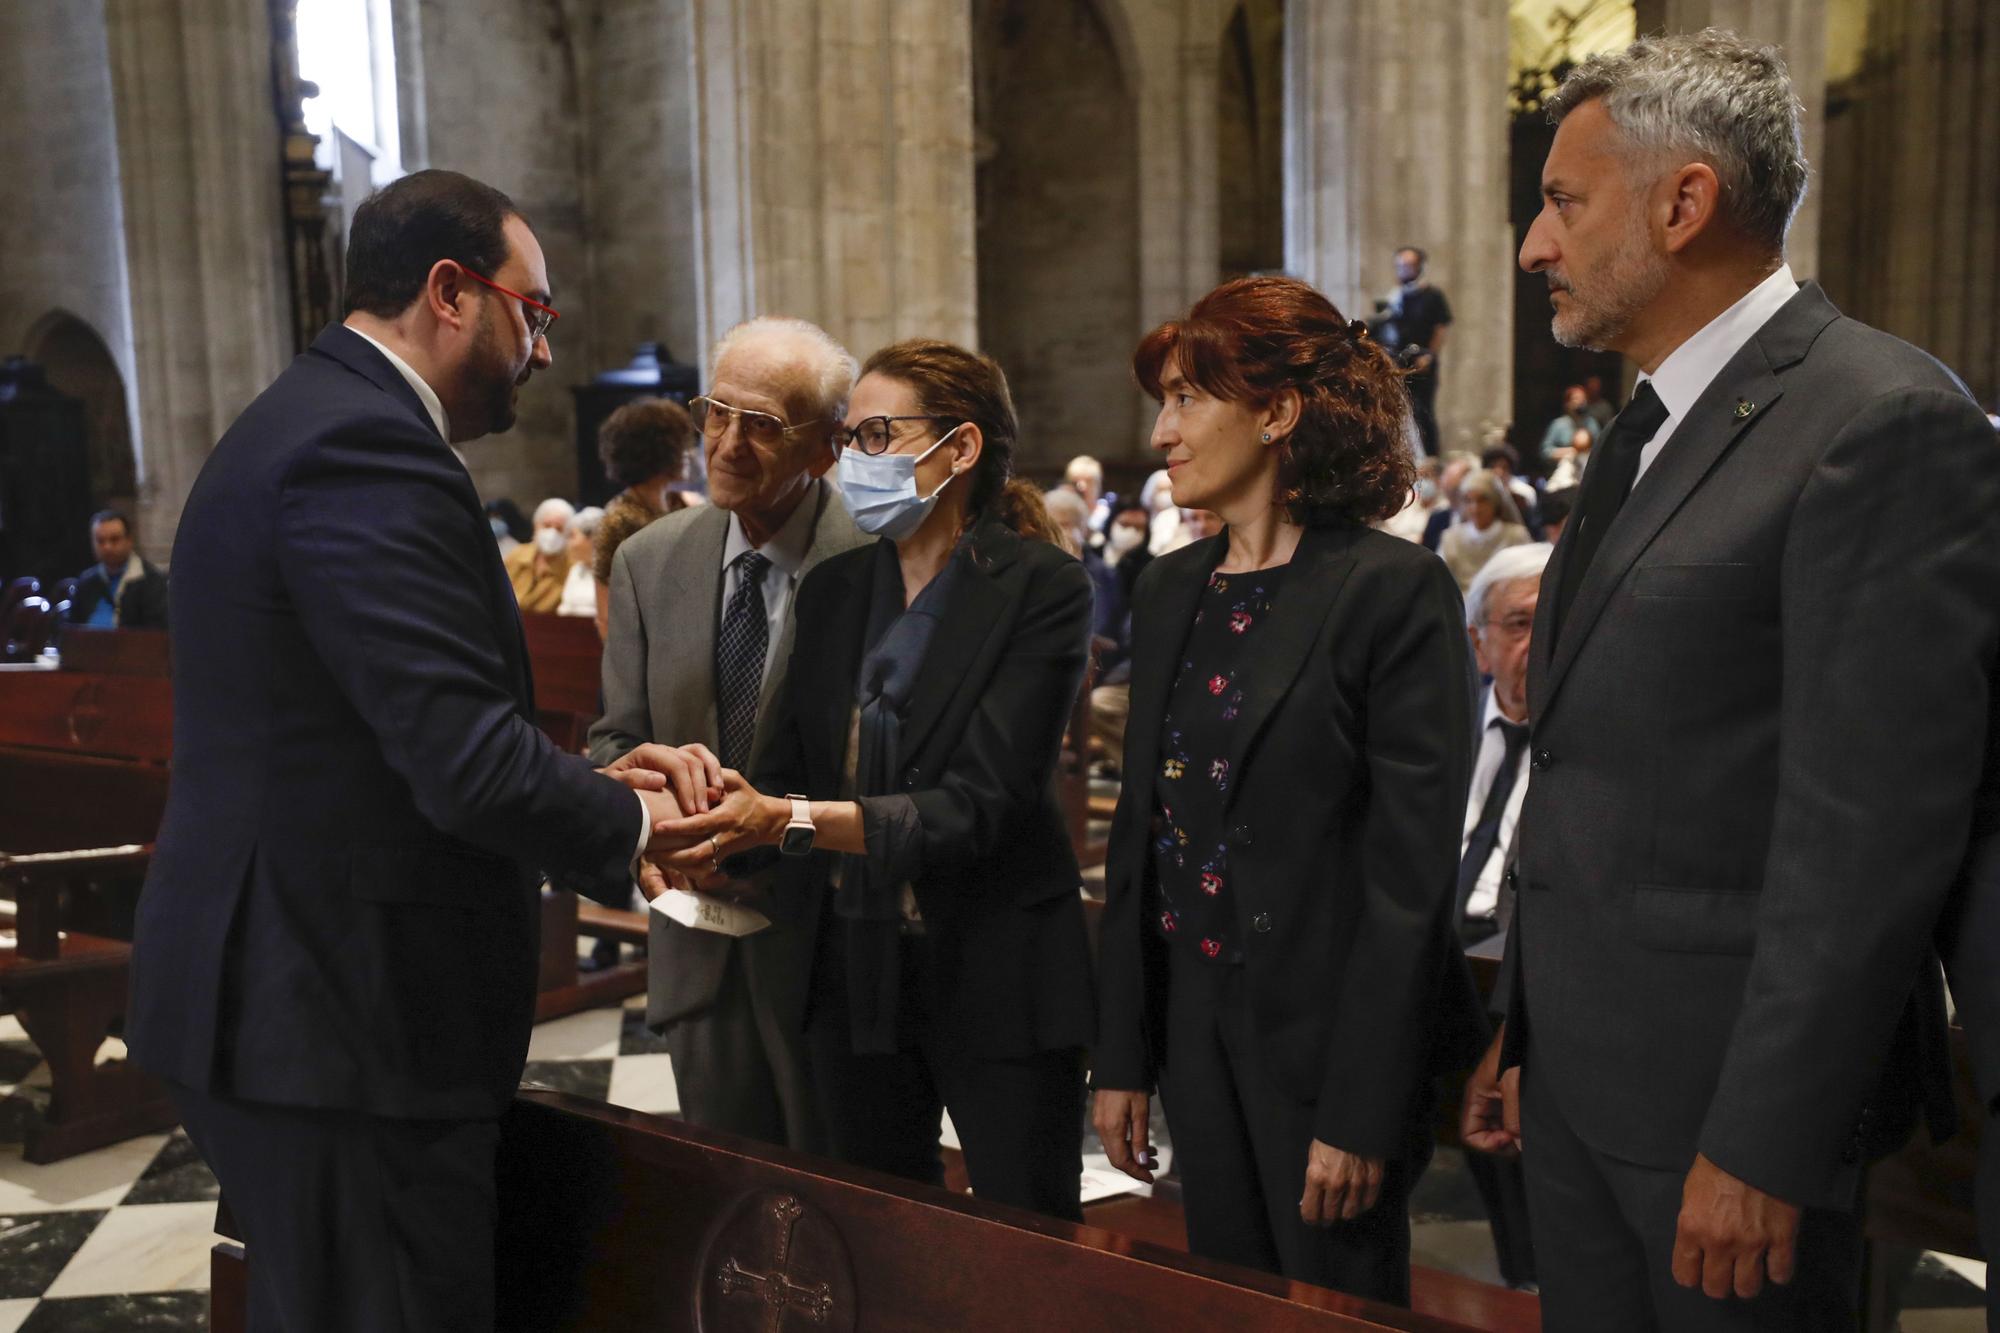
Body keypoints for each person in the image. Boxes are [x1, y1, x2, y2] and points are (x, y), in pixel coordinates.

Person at [1458, 32, 2000, 1331]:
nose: (1536, 242)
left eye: (1564, 201)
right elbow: (1588, 758)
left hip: (1725, 1121)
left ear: (1684, 203)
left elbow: (1867, 831)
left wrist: (1768, 1138)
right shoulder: (1648, 428)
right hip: (1588, 1089)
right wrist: (1530, 1032)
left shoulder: (1877, 419)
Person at [124, 168, 708, 1333]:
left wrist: (590, 784)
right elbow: (462, 759)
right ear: (450, 292)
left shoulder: (300, 416)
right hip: (347, 1019)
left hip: (299, 999)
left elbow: (372, 740)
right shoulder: (365, 447)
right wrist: (647, 827)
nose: (541, 352)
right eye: (531, 313)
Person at [1092, 275, 1486, 1303]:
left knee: (1334, 1306)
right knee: (1225, 1299)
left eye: (1186, 397)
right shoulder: (1171, 582)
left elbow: (1408, 884)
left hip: (1324, 1041)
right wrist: (1123, 1054)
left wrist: (1358, 1110)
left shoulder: (1393, 592)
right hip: (1192, 1019)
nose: (1162, 431)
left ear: (1274, 412)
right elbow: (1143, 835)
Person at [652, 338, 1097, 1222]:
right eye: (850, 437)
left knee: (1028, 1233)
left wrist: (784, 819)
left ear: (960, 449)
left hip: (996, 960)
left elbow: (980, 806)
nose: (852, 459)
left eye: (877, 435)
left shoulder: (1040, 586)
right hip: (855, 968)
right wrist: (701, 831)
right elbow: (782, 774)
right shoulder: (837, 590)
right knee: (876, 1231)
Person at [588, 317, 870, 1154]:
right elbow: (615, 741)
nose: (728, 444)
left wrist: (781, 827)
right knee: (726, 1206)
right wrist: (655, 826)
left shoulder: (877, 559)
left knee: (854, 1212)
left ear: (825, 447)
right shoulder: (649, 560)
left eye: (764, 425)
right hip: (699, 945)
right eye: (716, 413)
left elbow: (900, 771)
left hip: (832, 953)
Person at [1455, 542, 1552, 1292]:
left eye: (1556, 617)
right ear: (1479, 643)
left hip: (1519, 974)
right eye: (1520, 622)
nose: (1541, 637)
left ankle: (1530, 1280)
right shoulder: (1440, 729)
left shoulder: (1589, 741)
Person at [592, 395, 700, 638]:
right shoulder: (618, 519)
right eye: (681, 445)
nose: (688, 453)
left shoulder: (679, 505)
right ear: (659, 451)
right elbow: (607, 616)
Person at [1379, 245, 1453, 456]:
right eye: (1400, 266)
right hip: (1398, 360)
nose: (1403, 270)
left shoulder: (1432, 295)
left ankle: (1431, 458)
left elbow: (1441, 327)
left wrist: (1430, 355)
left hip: (1422, 361)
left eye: (1408, 266)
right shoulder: (1395, 297)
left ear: (1419, 267)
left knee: (1423, 411)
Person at [64, 508, 169, 629]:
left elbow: (156, 633)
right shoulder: (86, 581)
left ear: (129, 540)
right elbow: (71, 629)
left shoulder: (152, 581)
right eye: (100, 541)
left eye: (114, 539)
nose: (107, 547)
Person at [1439, 469, 1529, 593]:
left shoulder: (1516, 536)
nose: (1475, 508)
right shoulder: (1450, 538)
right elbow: (1441, 583)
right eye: (1468, 501)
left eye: (1482, 500)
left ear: (1495, 502)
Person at [504, 496, 574, 612]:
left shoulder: (570, 565)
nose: (552, 533)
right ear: (536, 526)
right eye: (547, 526)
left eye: (559, 528)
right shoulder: (517, 554)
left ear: (567, 533)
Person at [556, 506, 603, 617]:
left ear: (592, 538)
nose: (568, 543)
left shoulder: (612, 571)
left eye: (572, 536)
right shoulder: (576, 570)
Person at [1536, 385, 1600, 468]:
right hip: (1563, 471)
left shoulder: (1591, 423)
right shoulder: (1558, 424)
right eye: (1576, 399)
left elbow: (1600, 449)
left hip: (1586, 469)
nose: (1580, 402)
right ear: (1567, 403)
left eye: (1583, 399)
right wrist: (1568, 452)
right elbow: (1545, 452)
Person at [1546, 426, 1593, 490]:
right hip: (1562, 492)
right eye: (1578, 449)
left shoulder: (1591, 460)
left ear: (1589, 448)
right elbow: (1552, 487)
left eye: (1583, 449)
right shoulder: (1568, 458)